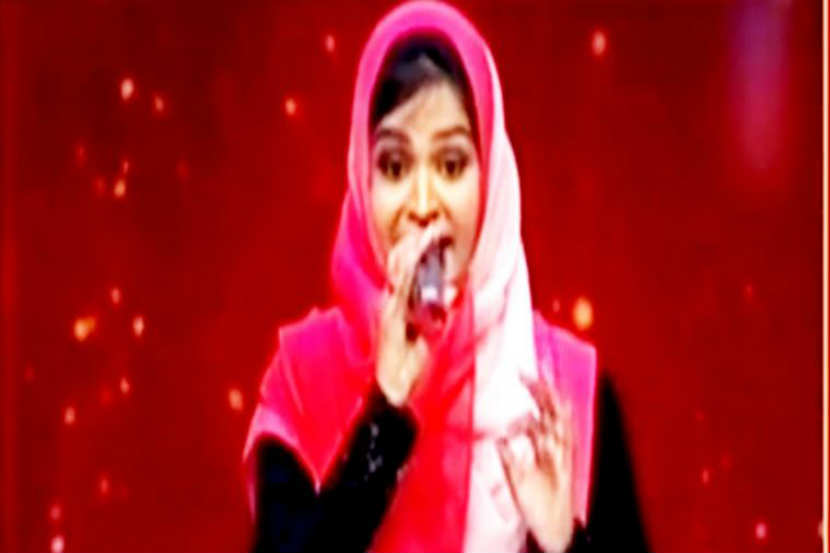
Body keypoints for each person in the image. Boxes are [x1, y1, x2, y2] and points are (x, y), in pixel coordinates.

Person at [242, 2, 606, 551]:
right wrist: (387, 410)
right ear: (362, 181)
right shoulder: (303, 379)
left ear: (491, 180)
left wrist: (563, 544)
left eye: (451, 165)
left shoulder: (562, 398)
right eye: (394, 167)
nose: (422, 203)